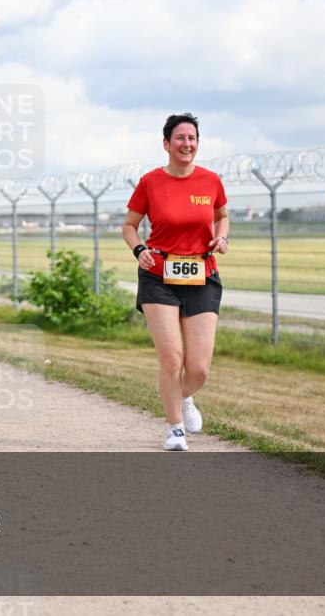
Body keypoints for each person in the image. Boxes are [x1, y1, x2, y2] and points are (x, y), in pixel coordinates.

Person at [122, 113, 229, 451]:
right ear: (166, 144)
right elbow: (129, 225)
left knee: (198, 368)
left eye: (192, 138)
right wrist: (139, 248)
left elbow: (222, 216)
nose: (187, 144)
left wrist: (221, 238)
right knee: (172, 358)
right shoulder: (150, 182)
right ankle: (175, 429)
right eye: (180, 138)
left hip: (202, 275)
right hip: (159, 277)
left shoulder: (210, 181)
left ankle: (184, 397)